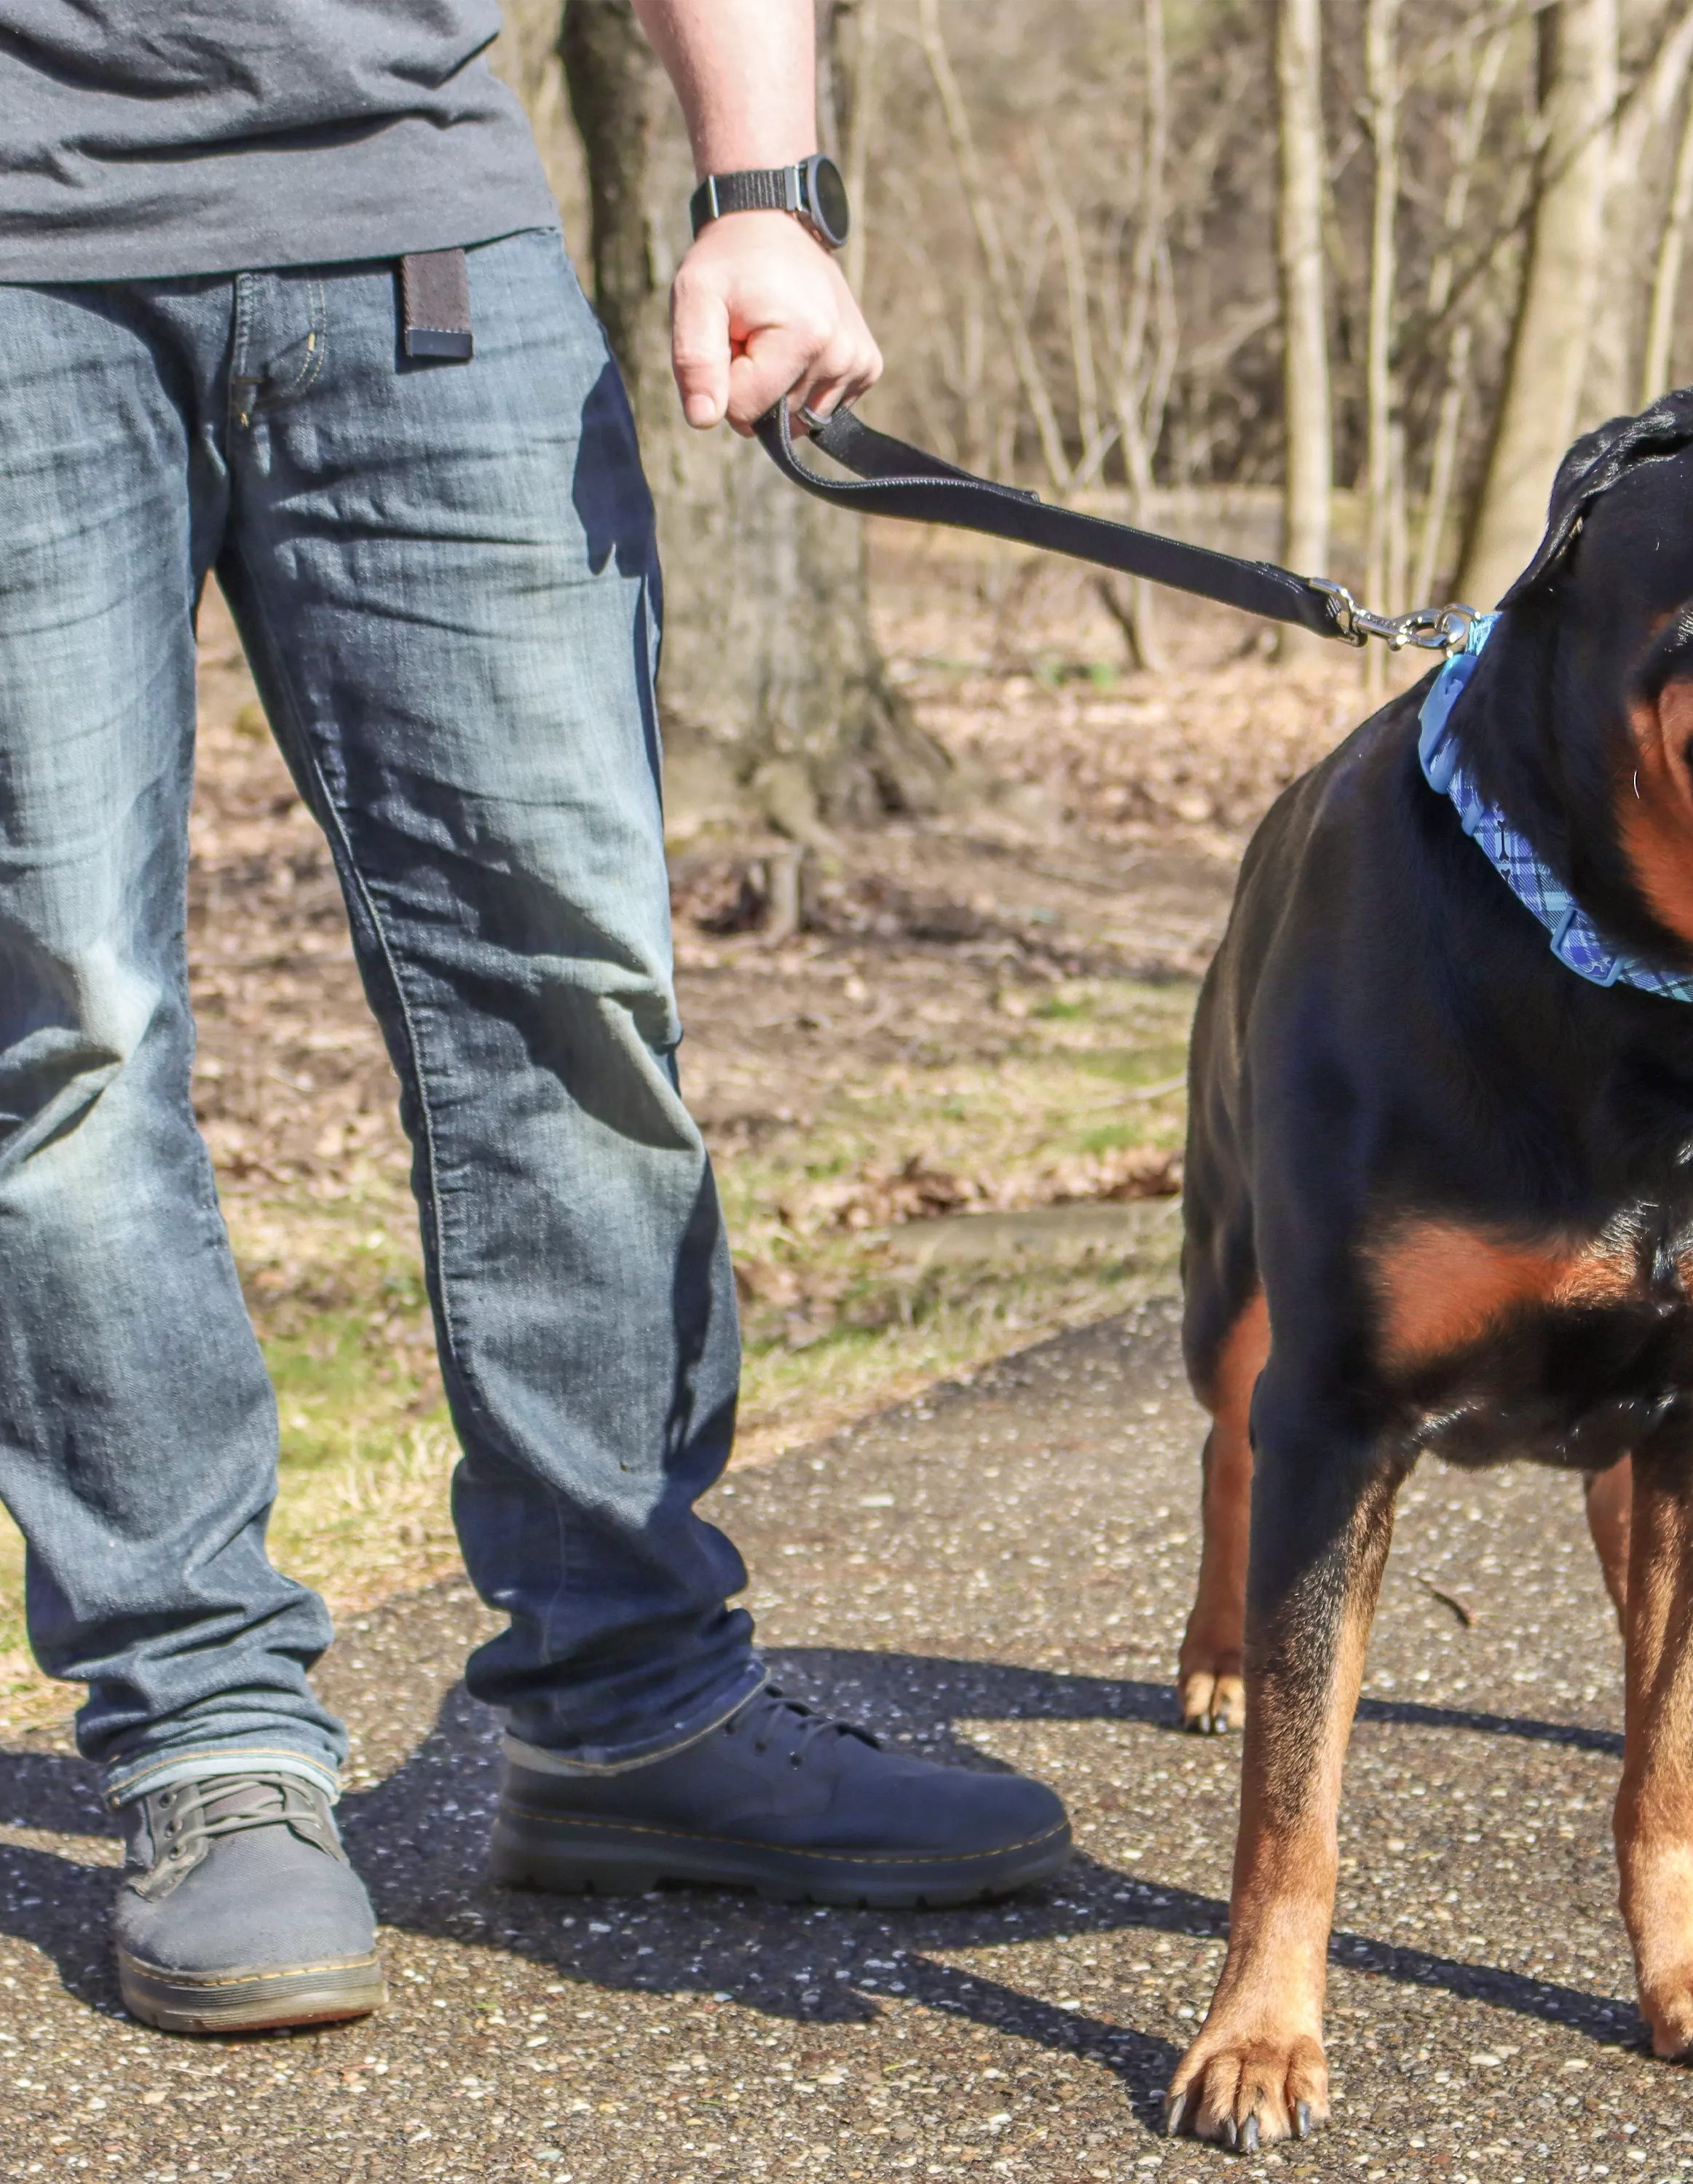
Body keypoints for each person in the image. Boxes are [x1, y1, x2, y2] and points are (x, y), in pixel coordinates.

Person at [0, 0, 1070, 2036]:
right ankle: (207, 1738)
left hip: (423, 235)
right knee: (69, 1041)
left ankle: (635, 1696)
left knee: (568, 994)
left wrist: (766, 190)